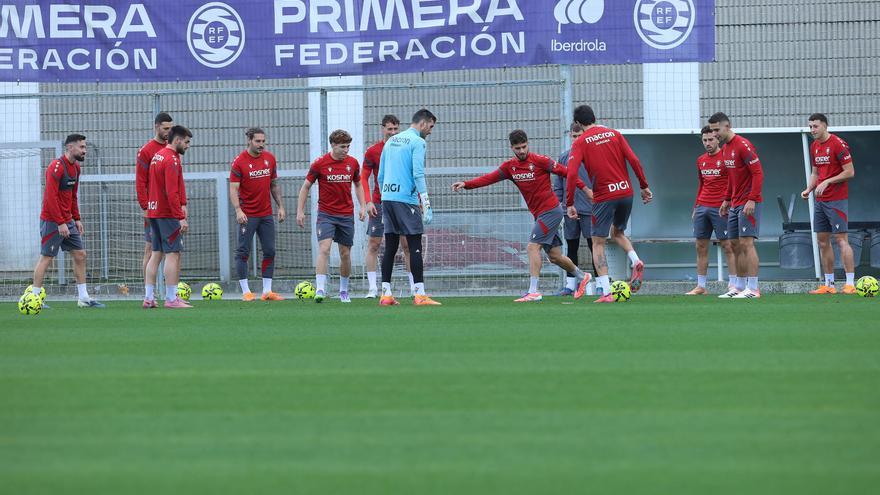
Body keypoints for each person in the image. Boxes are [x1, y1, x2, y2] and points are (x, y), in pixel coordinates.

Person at [452, 129, 592, 302]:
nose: (522, 151)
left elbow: (568, 172)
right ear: (512, 148)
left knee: (532, 247)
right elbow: (489, 178)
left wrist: (585, 189)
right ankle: (582, 276)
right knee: (555, 256)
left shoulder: (541, 161)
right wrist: (466, 184)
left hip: (551, 211)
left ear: (528, 144)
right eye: (518, 148)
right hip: (539, 214)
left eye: (524, 146)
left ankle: (533, 291)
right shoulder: (510, 167)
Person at [566, 105, 652, 303]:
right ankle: (635, 260)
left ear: (578, 123)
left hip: (604, 197)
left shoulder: (580, 142)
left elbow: (571, 174)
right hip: (626, 192)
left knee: (598, 243)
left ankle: (606, 291)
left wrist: (570, 203)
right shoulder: (614, 134)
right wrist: (644, 186)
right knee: (618, 233)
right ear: (595, 118)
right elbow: (634, 160)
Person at [376, 109, 441, 306]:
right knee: (415, 246)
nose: (430, 131)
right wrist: (426, 203)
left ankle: (385, 294)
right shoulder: (418, 142)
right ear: (423, 123)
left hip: (387, 197)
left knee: (391, 245)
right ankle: (420, 294)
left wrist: (385, 198)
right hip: (406, 200)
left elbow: (380, 175)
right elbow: (418, 174)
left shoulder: (391, 141)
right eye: (430, 127)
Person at [31, 134, 104, 308]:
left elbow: (72, 196)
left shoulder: (76, 169)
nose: (84, 151)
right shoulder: (56, 167)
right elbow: (50, 198)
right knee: (47, 258)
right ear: (70, 147)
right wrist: (60, 222)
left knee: (80, 254)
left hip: (67, 220)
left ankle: (83, 298)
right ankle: (34, 299)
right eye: (82, 147)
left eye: (85, 147)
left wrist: (76, 219)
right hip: (52, 220)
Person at [296, 129, 365, 303]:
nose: (346, 150)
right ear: (333, 145)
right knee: (324, 249)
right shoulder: (320, 164)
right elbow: (305, 187)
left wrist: (363, 206)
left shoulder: (353, 163)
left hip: (345, 214)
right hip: (326, 214)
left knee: (345, 254)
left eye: (348, 146)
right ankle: (319, 289)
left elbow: (358, 185)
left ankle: (343, 291)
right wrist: (300, 211)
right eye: (343, 146)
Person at [710, 112, 764, 299]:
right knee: (734, 245)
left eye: (717, 129)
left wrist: (752, 199)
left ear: (728, 126)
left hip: (748, 203)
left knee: (747, 243)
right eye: (712, 130)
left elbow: (758, 173)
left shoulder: (743, 145)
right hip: (734, 203)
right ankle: (739, 287)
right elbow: (732, 178)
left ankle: (754, 288)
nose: (715, 133)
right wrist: (726, 199)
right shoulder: (725, 149)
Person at [801, 113, 857, 294]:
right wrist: (809, 188)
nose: (812, 130)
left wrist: (828, 181)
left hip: (837, 200)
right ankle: (829, 285)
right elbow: (816, 173)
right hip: (820, 201)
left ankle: (850, 284)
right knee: (822, 242)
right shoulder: (814, 146)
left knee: (841, 240)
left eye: (815, 126)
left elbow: (850, 172)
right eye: (810, 127)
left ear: (825, 126)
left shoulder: (838, 144)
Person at [230, 127, 286, 302]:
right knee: (243, 252)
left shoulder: (270, 159)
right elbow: (233, 188)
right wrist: (238, 210)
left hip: (266, 214)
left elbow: (274, 184)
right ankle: (246, 291)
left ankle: (267, 291)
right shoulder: (239, 161)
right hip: (248, 215)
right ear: (249, 140)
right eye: (257, 141)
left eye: (263, 141)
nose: (261, 144)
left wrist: (281, 207)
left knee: (270, 250)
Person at [361, 115, 414, 298]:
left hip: (402, 202)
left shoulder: (405, 147)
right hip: (379, 202)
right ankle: (373, 288)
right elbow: (363, 177)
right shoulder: (373, 151)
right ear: (382, 128)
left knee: (407, 244)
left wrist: (418, 201)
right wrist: (368, 201)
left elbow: (413, 175)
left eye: (395, 129)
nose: (392, 133)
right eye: (389, 129)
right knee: (374, 244)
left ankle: (414, 287)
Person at [144, 126, 192, 309]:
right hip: (167, 213)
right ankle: (172, 299)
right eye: (186, 142)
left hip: (154, 211)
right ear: (178, 140)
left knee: (156, 253)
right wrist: (180, 216)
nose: (187, 146)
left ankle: (149, 297)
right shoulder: (171, 159)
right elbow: (171, 191)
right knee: (173, 254)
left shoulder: (158, 156)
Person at [687, 126, 737, 295]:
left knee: (728, 245)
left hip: (721, 207)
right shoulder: (700, 160)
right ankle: (701, 286)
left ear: (718, 139)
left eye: (710, 140)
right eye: (704, 140)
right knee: (700, 246)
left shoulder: (726, 157)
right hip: (702, 206)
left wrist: (729, 202)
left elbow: (734, 182)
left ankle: (733, 283)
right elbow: (701, 184)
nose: (707, 143)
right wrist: (696, 206)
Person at [551, 122, 596, 296]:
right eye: (574, 136)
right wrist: (560, 206)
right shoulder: (564, 158)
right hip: (569, 210)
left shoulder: (592, 156)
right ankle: (570, 286)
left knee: (594, 246)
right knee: (571, 247)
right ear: (570, 136)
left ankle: (600, 284)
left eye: (580, 136)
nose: (577, 139)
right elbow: (559, 186)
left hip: (590, 209)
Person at [136, 113, 173, 281]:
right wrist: (145, 206)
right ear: (156, 127)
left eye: (171, 128)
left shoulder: (171, 148)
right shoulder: (146, 151)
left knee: (172, 250)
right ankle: (148, 291)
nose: (169, 132)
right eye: (166, 128)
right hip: (153, 209)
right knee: (150, 249)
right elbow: (141, 181)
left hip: (170, 208)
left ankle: (171, 290)